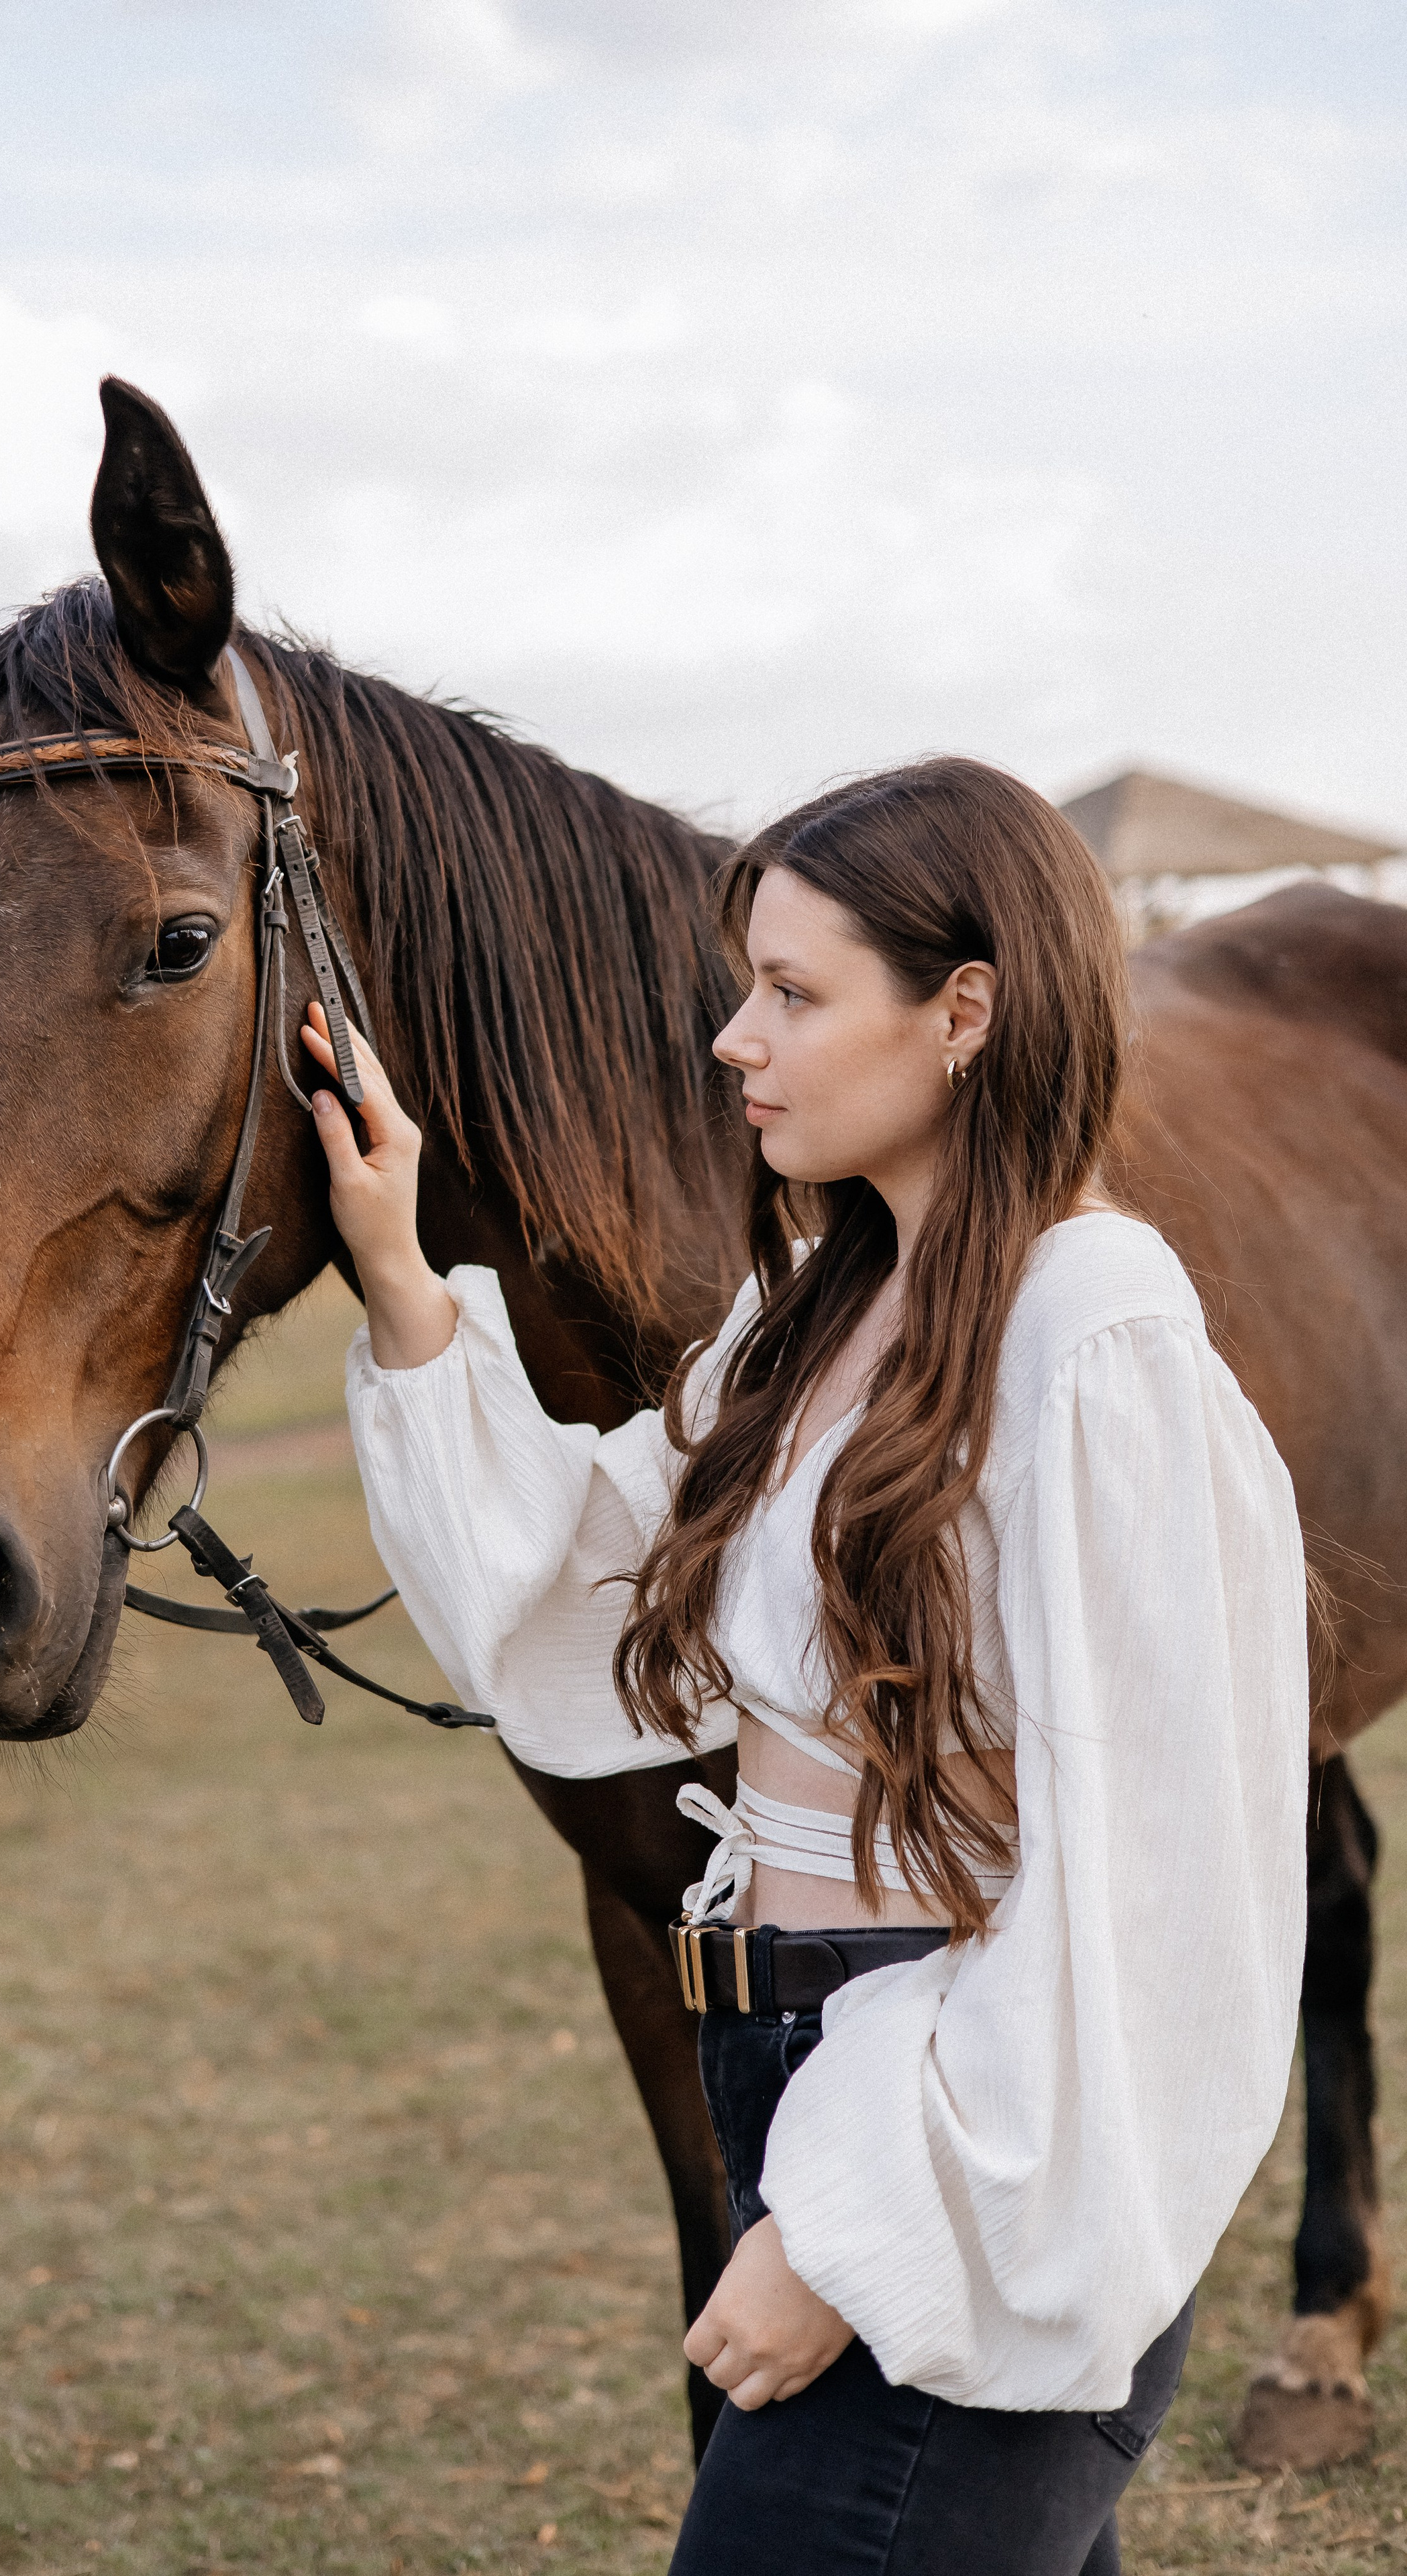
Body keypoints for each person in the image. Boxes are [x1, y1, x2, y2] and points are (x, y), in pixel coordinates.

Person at [301, 758, 1308, 2575]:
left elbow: (1148, 1880)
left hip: (970, 2143)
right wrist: (401, 1274)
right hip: (797, 2062)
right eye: (743, 984)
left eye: (793, 992)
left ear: (964, 1012)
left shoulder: (1090, 1338)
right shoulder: (824, 1310)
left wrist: (855, 2229)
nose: (730, 1040)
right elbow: (597, 1576)